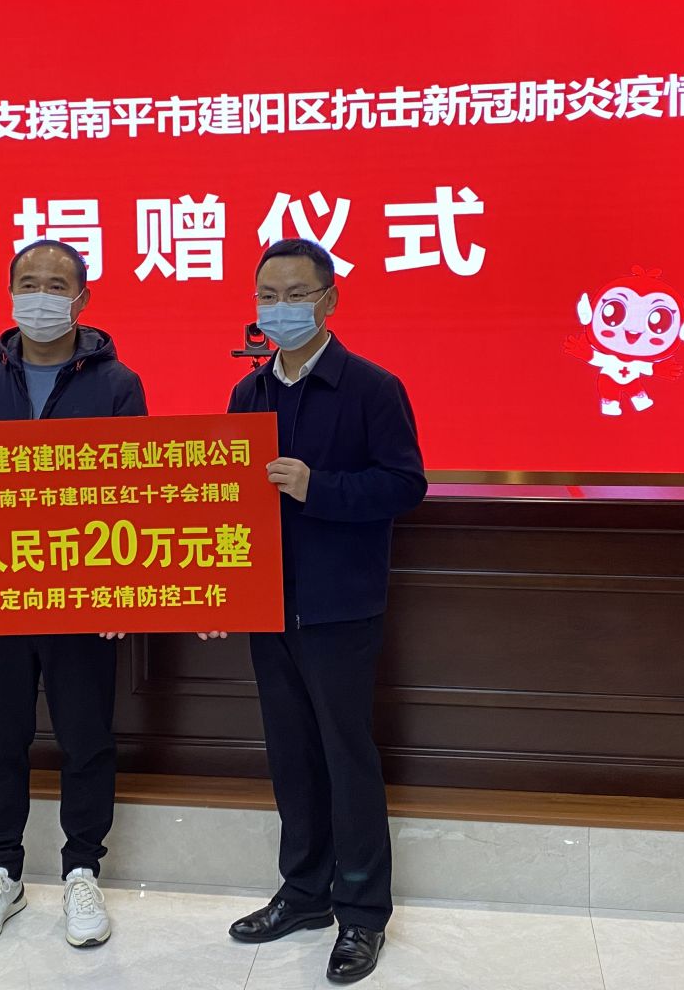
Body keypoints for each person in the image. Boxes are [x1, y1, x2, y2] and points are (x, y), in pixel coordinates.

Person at [0, 239, 146, 950]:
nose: (40, 297)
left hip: (82, 595)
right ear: (10, 291)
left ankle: (82, 871)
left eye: (55, 285)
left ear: (82, 298)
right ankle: (1, 871)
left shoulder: (118, 384)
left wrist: (122, 592)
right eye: (28, 283)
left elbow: (138, 489)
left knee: (86, 739)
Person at [220, 238, 427, 984]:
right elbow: (231, 506)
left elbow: (405, 485)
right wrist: (223, 587)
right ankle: (304, 892)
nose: (279, 309)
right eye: (267, 297)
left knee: (346, 756)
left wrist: (320, 487)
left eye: (295, 295)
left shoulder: (372, 387)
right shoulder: (247, 394)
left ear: (330, 300)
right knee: (291, 756)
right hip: (268, 606)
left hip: (340, 608)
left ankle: (362, 913)